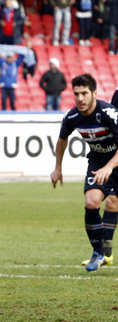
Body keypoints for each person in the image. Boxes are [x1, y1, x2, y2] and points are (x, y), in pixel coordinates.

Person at [51, 73, 118, 272]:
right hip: (98, 160)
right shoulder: (72, 116)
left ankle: (107, 251)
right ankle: (99, 252)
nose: (80, 98)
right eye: (76, 94)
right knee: (91, 202)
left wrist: (109, 167)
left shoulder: (109, 113)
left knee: (113, 201)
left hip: (115, 160)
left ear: (94, 93)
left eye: (84, 93)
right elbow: (62, 139)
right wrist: (57, 168)